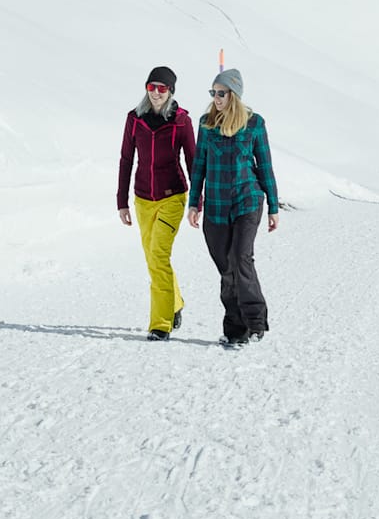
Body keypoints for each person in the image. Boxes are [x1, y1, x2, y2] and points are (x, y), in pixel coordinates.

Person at [187, 68, 279, 347]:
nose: (216, 97)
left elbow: (264, 166)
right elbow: (199, 166)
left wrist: (273, 207)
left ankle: (255, 322)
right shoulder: (206, 124)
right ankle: (234, 328)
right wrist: (194, 203)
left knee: (241, 258)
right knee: (226, 269)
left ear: (234, 94)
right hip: (215, 206)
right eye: (213, 92)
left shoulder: (254, 124)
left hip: (247, 201)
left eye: (221, 92)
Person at [117, 66, 196, 340]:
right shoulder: (135, 119)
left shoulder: (181, 121)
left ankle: (160, 324)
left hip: (172, 197)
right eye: (152, 87)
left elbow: (193, 161)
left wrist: (197, 201)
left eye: (163, 88)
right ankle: (175, 302)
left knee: (159, 257)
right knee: (152, 258)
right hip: (142, 199)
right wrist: (122, 201)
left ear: (171, 91)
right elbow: (126, 159)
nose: (157, 93)